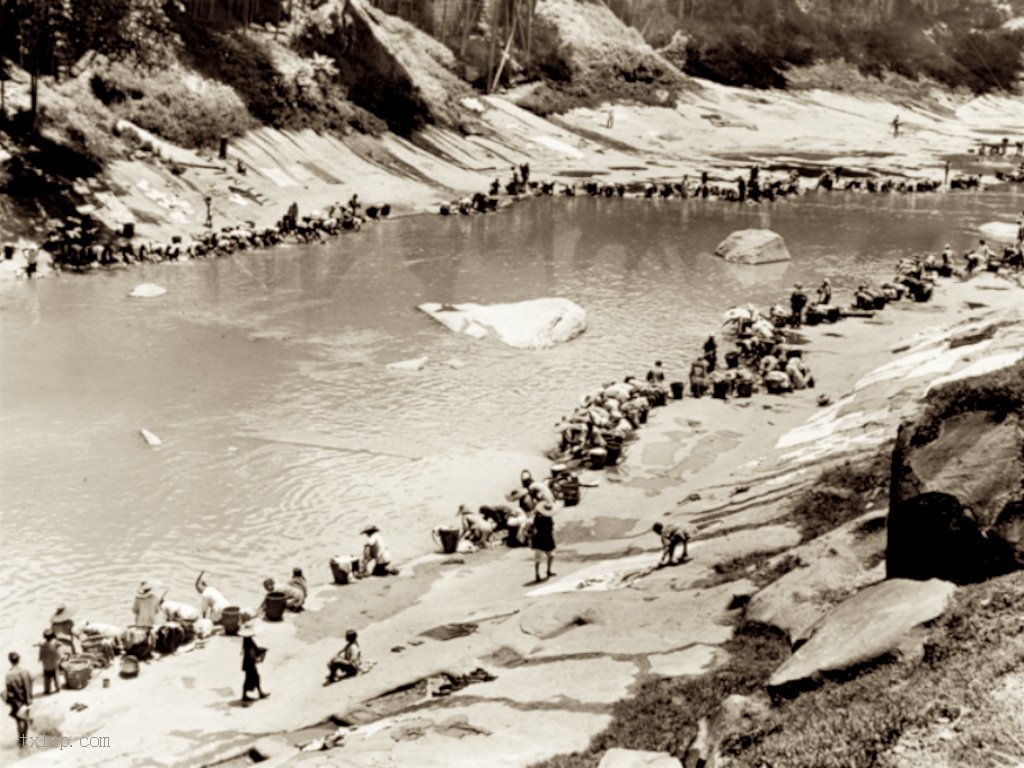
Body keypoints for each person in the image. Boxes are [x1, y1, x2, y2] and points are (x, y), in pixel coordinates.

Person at [4, 652, 32, 747]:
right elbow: (30, 682)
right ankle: (24, 739)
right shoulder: (25, 671)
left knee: (19, 720)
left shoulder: (9, 674)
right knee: (26, 720)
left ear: (10, 661)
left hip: (16, 701)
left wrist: (8, 700)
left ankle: (21, 741)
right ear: (19, 660)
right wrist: (29, 698)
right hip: (26, 698)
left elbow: (8, 690)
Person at [529, 502, 556, 583]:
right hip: (541, 539)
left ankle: (547, 571)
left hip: (544, 539)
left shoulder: (546, 517)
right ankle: (538, 574)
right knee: (540, 558)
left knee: (551, 556)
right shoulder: (538, 518)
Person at [240, 630, 268, 705]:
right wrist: (257, 657)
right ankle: (257, 694)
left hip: (247, 664)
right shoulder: (249, 642)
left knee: (253, 678)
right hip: (250, 665)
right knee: (254, 678)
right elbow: (252, 654)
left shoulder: (246, 641)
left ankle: (257, 693)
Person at [38, 630, 62, 695]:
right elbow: (59, 652)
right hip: (54, 664)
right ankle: (58, 688)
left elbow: (41, 655)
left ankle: (47, 690)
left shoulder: (43, 645)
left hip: (46, 665)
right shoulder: (55, 643)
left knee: (47, 678)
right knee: (56, 676)